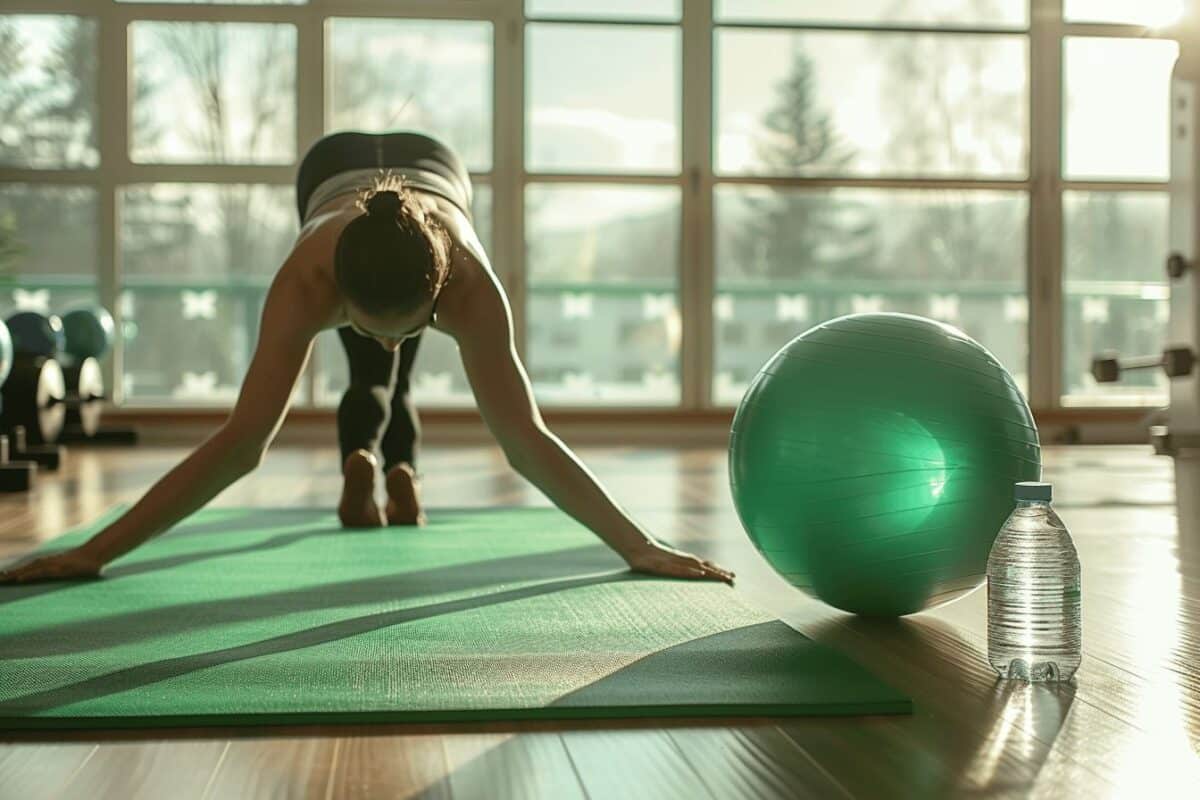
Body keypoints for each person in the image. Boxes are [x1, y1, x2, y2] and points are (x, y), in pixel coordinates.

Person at [0, 131, 734, 585]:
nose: (388, 342)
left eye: (409, 329)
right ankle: (394, 463)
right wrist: (93, 553)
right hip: (329, 168)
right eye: (368, 324)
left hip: (436, 166)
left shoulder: (474, 287)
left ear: (443, 293)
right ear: (335, 297)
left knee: (377, 373)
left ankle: (381, 460)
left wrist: (640, 546)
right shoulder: (304, 281)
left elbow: (526, 441)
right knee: (378, 372)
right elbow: (240, 445)